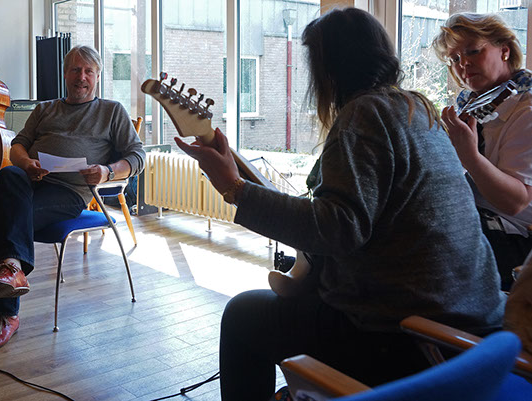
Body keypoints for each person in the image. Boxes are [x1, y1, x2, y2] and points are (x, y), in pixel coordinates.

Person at [174, 8, 506, 400]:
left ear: (328, 71)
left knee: (242, 315)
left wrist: (233, 187)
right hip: (473, 333)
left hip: (408, 341)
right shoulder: (418, 108)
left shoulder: (365, 113)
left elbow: (337, 229)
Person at [0, 45, 145, 351]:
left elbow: (137, 157)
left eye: (89, 71)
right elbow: (18, 145)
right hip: (32, 182)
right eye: (75, 70)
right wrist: (26, 163)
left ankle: (6, 312)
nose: (82, 77)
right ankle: (13, 272)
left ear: (97, 76)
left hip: (69, 193)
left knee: (8, 220)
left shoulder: (111, 111)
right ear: (65, 74)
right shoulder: (45, 109)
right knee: (9, 174)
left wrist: (107, 171)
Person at [432, 13, 532, 291]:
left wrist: (470, 157)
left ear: (504, 50)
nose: (462, 64)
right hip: (477, 219)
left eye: (473, 51)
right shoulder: (474, 106)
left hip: (517, 237)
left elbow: (516, 202)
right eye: (454, 58)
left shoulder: (526, 109)